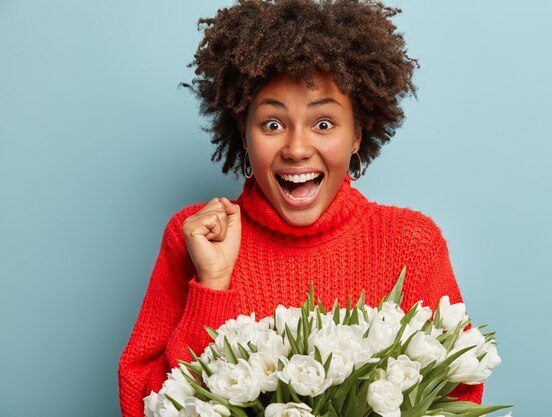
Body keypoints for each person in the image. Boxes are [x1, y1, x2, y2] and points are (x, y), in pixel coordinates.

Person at [118, 1, 483, 416]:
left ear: (357, 135)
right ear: (244, 132)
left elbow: (457, 394)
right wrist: (213, 285)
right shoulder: (197, 237)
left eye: (323, 123)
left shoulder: (411, 243)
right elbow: (142, 401)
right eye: (272, 124)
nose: (295, 149)